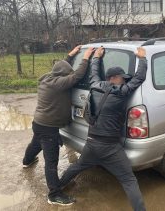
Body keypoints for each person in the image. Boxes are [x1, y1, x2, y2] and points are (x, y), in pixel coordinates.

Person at [59, 46, 147, 211]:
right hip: (110, 147)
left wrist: (96, 57)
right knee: (128, 180)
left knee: (77, 167)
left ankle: (56, 188)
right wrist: (142, 58)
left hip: (91, 142)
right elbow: (139, 78)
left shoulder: (94, 85)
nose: (125, 81)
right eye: (123, 78)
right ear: (114, 78)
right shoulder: (121, 92)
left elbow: (94, 73)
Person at [22, 45, 94, 206]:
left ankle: (27, 160)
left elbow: (61, 67)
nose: (67, 74)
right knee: (51, 162)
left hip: (39, 123)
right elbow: (78, 75)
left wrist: (71, 55)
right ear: (62, 75)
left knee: (35, 144)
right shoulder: (59, 84)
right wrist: (85, 58)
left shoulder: (47, 78)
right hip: (48, 128)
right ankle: (54, 195)